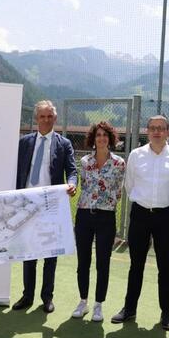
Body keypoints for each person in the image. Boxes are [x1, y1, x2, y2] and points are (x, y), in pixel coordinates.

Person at [111, 115, 169, 330]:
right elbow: (129, 185)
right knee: (136, 265)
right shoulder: (136, 156)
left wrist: (164, 205)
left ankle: (166, 313)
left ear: (168, 132)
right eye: (153, 128)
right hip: (140, 216)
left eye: (161, 128)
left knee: (165, 267)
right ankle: (129, 308)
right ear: (147, 131)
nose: (157, 132)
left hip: (165, 217)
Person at [12, 100, 78, 313]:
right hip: (27, 204)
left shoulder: (64, 144)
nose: (46, 120)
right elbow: (16, 171)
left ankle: (47, 298)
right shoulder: (25, 142)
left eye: (50, 116)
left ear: (55, 119)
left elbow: (72, 170)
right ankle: (27, 296)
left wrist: (72, 184)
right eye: (42, 116)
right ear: (36, 119)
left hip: (52, 205)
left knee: (50, 253)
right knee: (29, 253)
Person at [71, 121, 125, 322]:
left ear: (110, 139)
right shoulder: (84, 161)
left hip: (106, 217)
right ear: (93, 139)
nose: (101, 138)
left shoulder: (119, 163)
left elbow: (118, 190)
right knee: (83, 261)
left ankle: (98, 305)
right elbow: (84, 185)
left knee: (103, 262)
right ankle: (83, 302)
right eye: (98, 135)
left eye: (105, 135)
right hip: (84, 214)